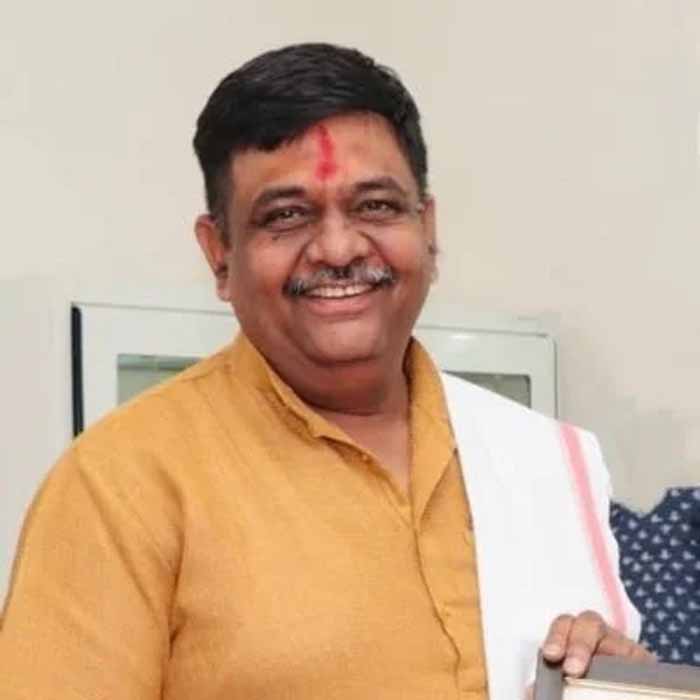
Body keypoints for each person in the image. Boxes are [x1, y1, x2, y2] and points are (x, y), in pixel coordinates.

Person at [0, 43, 651, 699]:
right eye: (286, 216)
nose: (338, 248)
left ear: (427, 229)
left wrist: (612, 683)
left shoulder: (543, 461)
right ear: (219, 254)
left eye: (375, 206)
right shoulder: (120, 484)